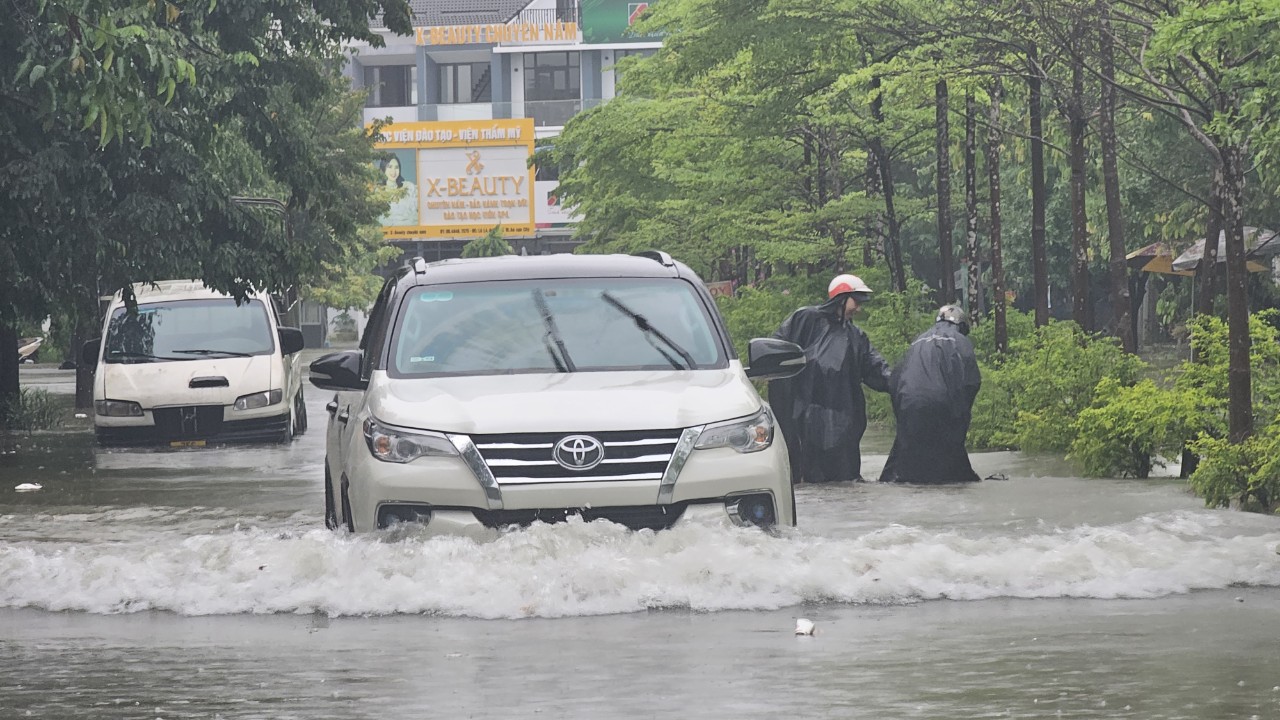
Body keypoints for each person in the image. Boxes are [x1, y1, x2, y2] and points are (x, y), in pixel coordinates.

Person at [769, 274, 892, 483]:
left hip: (843, 426)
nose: (859, 308)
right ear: (841, 297)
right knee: (807, 480)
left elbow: (876, 368)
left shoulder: (856, 337)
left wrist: (900, 383)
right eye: (857, 301)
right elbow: (775, 349)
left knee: (844, 481)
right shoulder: (805, 320)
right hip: (804, 423)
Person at [879, 304, 982, 484]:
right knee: (950, 453)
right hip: (941, 401)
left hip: (907, 401)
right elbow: (971, 381)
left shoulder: (917, 341)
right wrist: (961, 413)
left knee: (907, 452)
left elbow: (896, 377)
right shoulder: (959, 340)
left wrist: (901, 409)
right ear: (961, 325)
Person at [379, 155, 419, 226]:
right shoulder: (377, 192)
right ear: (383, 168)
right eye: (390, 167)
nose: (393, 171)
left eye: (396, 167)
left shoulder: (409, 187)